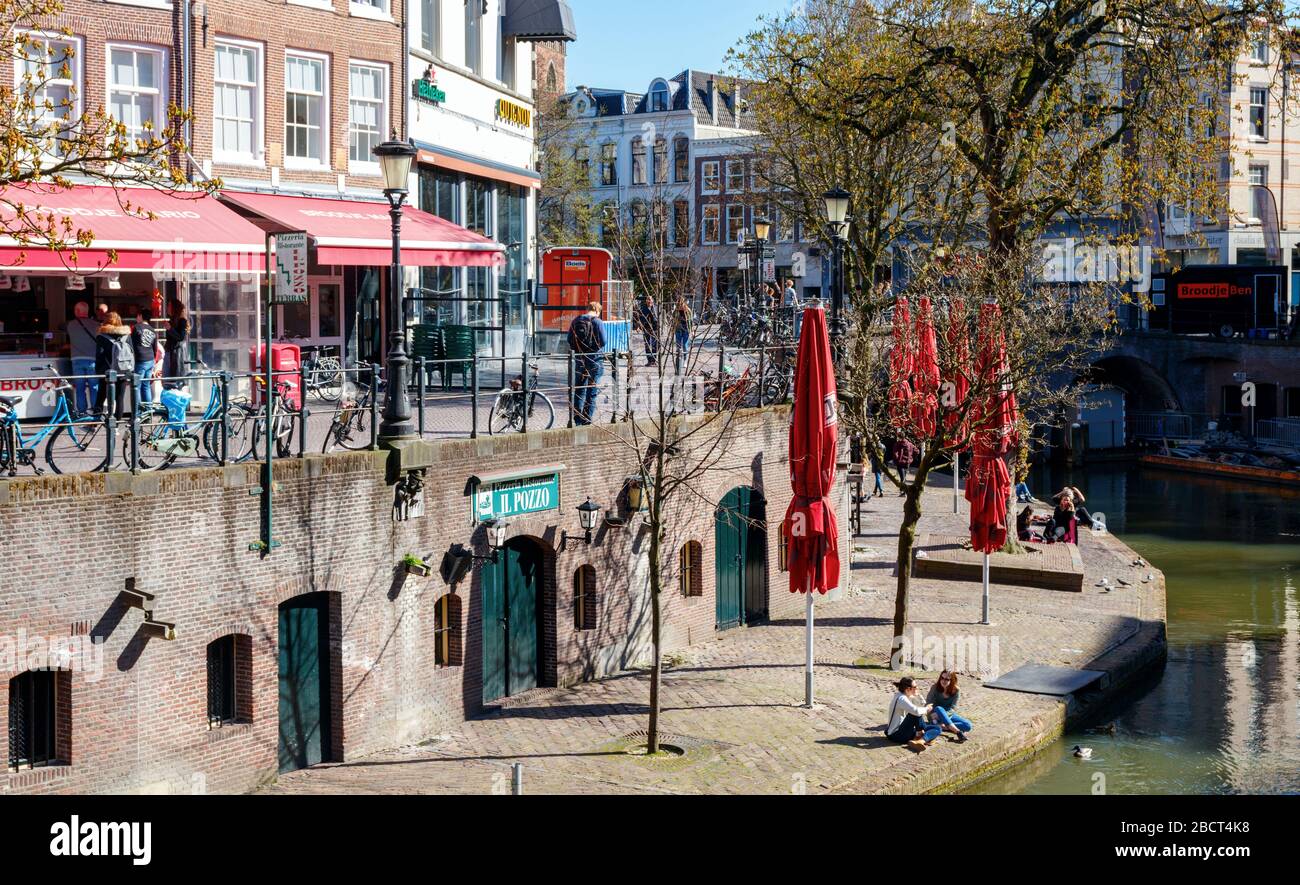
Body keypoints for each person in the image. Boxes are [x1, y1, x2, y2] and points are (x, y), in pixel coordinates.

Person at [568, 302, 606, 426]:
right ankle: (587, 418)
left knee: (579, 390)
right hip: (594, 360)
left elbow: (569, 339)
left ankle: (577, 419)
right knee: (592, 390)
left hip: (579, 359)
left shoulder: (576, 320)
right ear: (597, 311)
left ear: (587, 309)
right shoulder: (597, 321)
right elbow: (604, 341)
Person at [884, 676, 943, 751]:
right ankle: (922, 737)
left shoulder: (905, 695)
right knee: (915, 714)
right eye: (915, 686)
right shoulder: (902, 699)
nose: (917, 688)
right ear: (908, 689)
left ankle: (921, 740)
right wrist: (927, 709)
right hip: (896, 735)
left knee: (938, 728)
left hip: (905, 730)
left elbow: (922, 705)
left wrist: (918, 696)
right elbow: (917, 711)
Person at [93, 311, 134, 416]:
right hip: (123, 370)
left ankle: (94, 423)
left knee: (101, 397)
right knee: (119, 398)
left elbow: (99, 355)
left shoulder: (102, 336)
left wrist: (98, 371)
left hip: (107, 371)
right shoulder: (127, 335)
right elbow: (132, 352)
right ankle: (115, 427)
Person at [65, 302, 101, 414]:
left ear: (77, 311)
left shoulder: (70, 325)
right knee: (94, 387)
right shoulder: (97, 325)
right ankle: (96, 413)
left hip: (76, 360)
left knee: (80, 388)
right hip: (93, 359)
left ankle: (82, 413)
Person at [927, 671, 973, 742]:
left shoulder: (956, 690)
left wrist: (945, 717)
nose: (943, 681)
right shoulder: (935, 687)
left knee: (968, 725)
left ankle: (942, 726)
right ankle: (958, 732)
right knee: (939, 708)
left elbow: (953, 708)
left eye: (947, 679)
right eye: (942, 678)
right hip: (935, 715)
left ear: (952, 681)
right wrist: (931, 713)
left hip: (948, 714)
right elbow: (928, 703)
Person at [130, 308, 159, 404]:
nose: (136, 317)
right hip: (150, 359)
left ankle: (138, 414)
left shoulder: (136, 327)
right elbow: (155, 347)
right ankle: (148, 412)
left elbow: (131, 344)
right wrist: (154, 361)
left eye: (137, 315)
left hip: (140, 360)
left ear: (141, 316)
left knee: (136, 386)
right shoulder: (153, 330)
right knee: (146, 385)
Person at [163, 298, 190, 388]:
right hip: (170, 352)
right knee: (167, 378)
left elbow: (180, 337)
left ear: (174, 308)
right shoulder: (172, 320)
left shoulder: (182, 321)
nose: (167, 308)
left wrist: (170, 329)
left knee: (173, 378)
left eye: (169, 306)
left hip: (176, 353)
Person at [634, 295, 659, 366]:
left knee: (654, 345)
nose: (649, 301)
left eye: (650, 300)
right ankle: (649, 360)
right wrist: (638, 326)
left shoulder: (655, 308)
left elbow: (656, 318)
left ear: (652, 301)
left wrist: (652, 311)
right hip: (646, 328)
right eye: (648, 299)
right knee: (647, 344)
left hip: (654, 328)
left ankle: (654, 360)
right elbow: (640, 318)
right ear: (646, 301)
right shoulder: (643, 308)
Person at [672, 296, 693, 376]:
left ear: (684, 303)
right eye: (679, 303)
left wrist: (691, 331)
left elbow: (691, 322)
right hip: (678, 330)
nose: (680, 305)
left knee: (684, 345)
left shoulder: (688, 311)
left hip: (686, 330)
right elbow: (673, 320)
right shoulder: (676, 311)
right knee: (678, 346)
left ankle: (685, 360)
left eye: (681, 303)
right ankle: (678, 360)